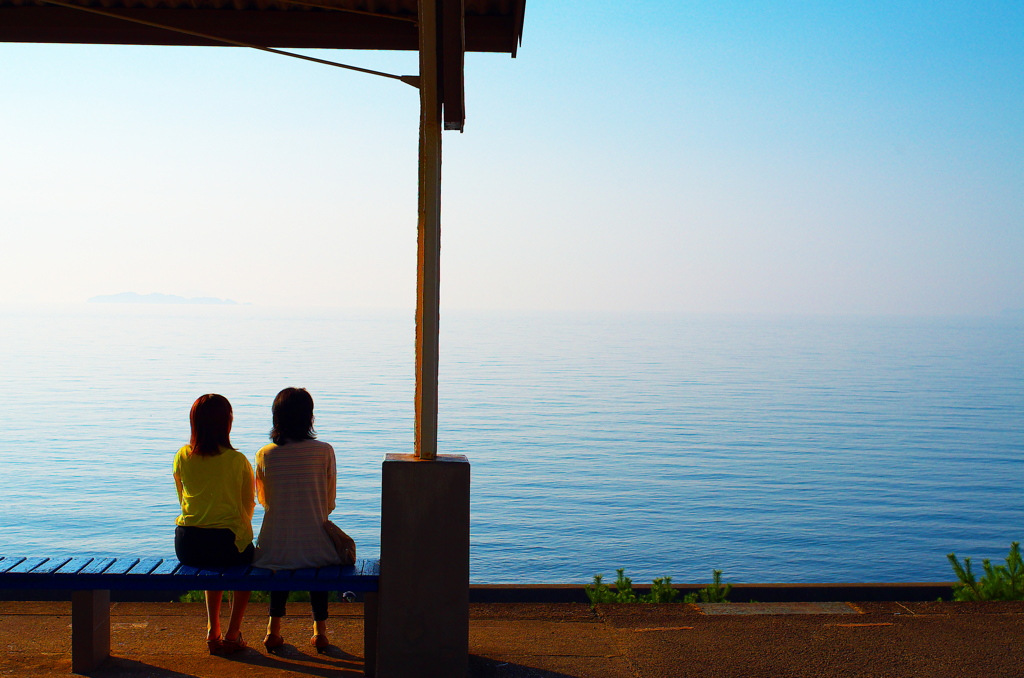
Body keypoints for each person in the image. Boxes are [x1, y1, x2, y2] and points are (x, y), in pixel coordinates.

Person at [253, 387, 344, 653]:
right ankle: (320, 633)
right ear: (309, 417)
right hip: (316, 546)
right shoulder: (324, 451)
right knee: (316, 555)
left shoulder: (264, 454)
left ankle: (273, 632)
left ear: (276, 417)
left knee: (282, 560)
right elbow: (329, 503)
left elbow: (263, 501)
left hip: (273, 546)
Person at [173, 394, 256, 655]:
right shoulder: (237, 460)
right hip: (225, 543)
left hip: (187, 544)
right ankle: (232, 635)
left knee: (211, 564)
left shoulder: (182, 455)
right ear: (227, 423)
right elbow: (248, 507)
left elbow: (182, 499)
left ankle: (213, 629)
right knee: (246, 561)